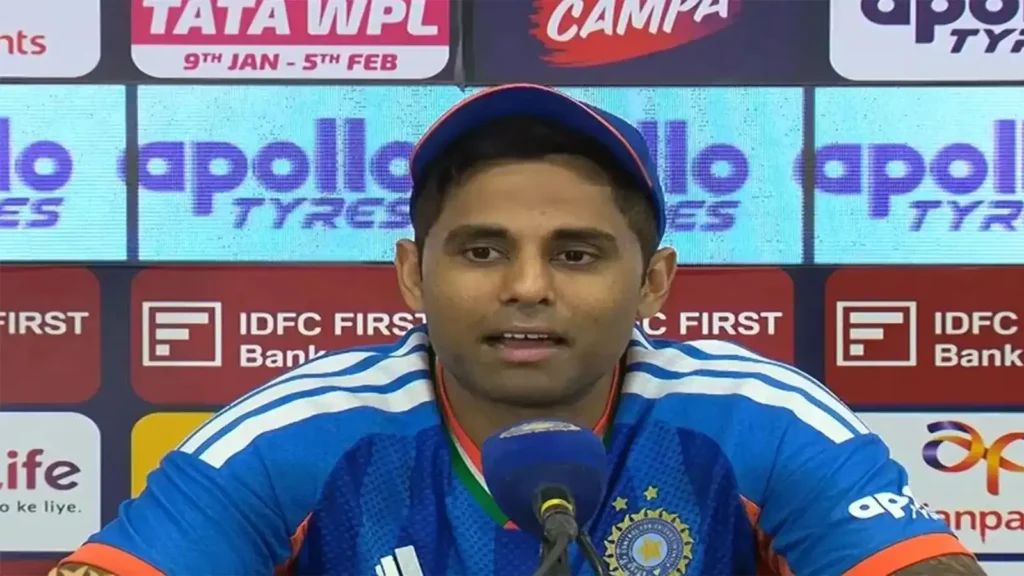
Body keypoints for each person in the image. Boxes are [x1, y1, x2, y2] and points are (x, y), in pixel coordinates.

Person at [54, 84, 984, 576]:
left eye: (576, 254)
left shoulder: (759, 421)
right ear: (412, 274)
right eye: (482, 251)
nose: (528, 287)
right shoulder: (294, 436)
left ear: (653, 283)